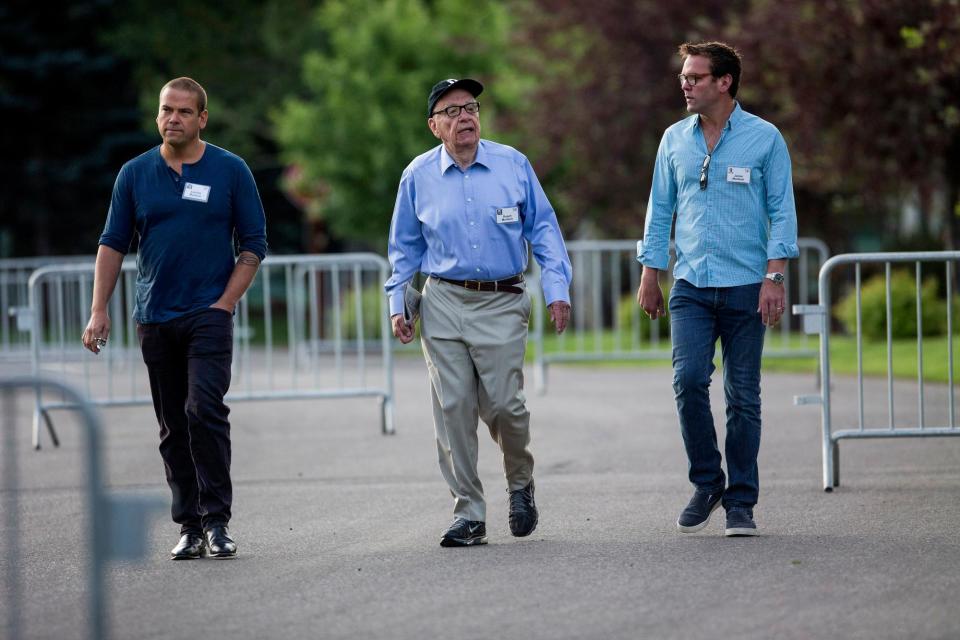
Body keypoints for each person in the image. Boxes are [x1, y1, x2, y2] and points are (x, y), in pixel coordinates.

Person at [81, 77, 267, 559]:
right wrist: (99, 309)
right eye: (167, 110)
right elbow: (112, 243)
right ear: (157, 114)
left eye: (184, 112)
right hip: (155, 317)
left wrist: (225, 303)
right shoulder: (135, 173)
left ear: (202, 118)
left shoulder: (230, 170)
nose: (173, 119)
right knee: (172, 425)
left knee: (202, 410)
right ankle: (189, 524)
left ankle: (217, 521)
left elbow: (253, 244)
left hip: (208, 313)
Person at [385, 78, 573, 547]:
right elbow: (404, 248)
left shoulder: (513, 164)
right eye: (451, 112)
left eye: (470, 107)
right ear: (434, 126)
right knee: (453, 408)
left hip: (503, 299)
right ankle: (468, 512)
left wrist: (557, 287)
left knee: (505, 406)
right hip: (444, 300)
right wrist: (398, 304)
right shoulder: (417, 175)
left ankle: (519, 482)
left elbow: (545, 229)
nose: (464, 117)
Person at [637, 42, 799, 537]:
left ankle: (741, 503)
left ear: (724, 82)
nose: (685, 84)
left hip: (748, 285)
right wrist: (650, 273)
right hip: (689, 284)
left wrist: (774, 277)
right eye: (684, 77)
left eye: (696, 77)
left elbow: (782, 211)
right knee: (688, 381)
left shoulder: (765, 138)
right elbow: (659, 210)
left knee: (743, 397)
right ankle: (708, 482)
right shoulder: (673, 140)